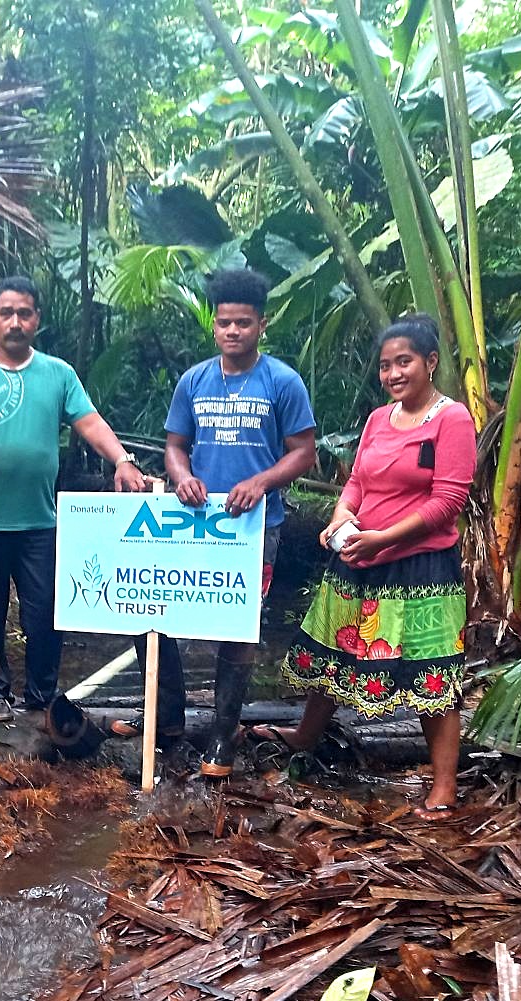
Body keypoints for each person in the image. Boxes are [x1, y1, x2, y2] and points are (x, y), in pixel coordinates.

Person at [260, 313, 475, 818]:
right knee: (336, 653)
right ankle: (304, 736)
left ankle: (444, 784)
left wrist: (381, 540)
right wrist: (340, 520)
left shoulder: (452, 419)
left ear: (431, 362)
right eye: (385, 366)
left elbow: (448, 502)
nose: (394, 374)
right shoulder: (380, 419)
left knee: (431, 673)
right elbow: (356, 482)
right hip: (359, 560)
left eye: (404, 362)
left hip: (421, 570)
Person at [113, 268, 317, 778]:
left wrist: (262, 482)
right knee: (157, 606)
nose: (233, 331)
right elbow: (176, 447)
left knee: (239, 623)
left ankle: (223, 737)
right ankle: (168, 719)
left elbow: (304, 453)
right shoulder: (194, 381)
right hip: (193, 521)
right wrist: (180, 477)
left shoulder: (282, 381)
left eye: (243, 323)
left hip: (254, 527)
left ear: (261, 325)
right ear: (214, 325)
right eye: (225, 322)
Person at [0, 275, 147, 723]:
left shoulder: (58, 374)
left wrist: (123, 460)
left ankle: (40, 696)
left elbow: (89, 423)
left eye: (24, 313)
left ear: (37, 320)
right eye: (6, 312)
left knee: (47, 612)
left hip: (40, 522)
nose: (15, 321)